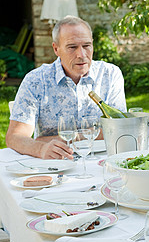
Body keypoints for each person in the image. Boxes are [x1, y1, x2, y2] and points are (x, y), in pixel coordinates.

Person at [6, 16, 126, 160]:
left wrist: (71, 137)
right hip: (55, 165)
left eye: (87, 46)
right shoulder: (36, 80)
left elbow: (120, 128)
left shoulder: (110, 74)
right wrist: (41, 148)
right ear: (56, 49)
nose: (81, 55)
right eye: (72, 47)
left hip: (103, 161)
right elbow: (15, 137)